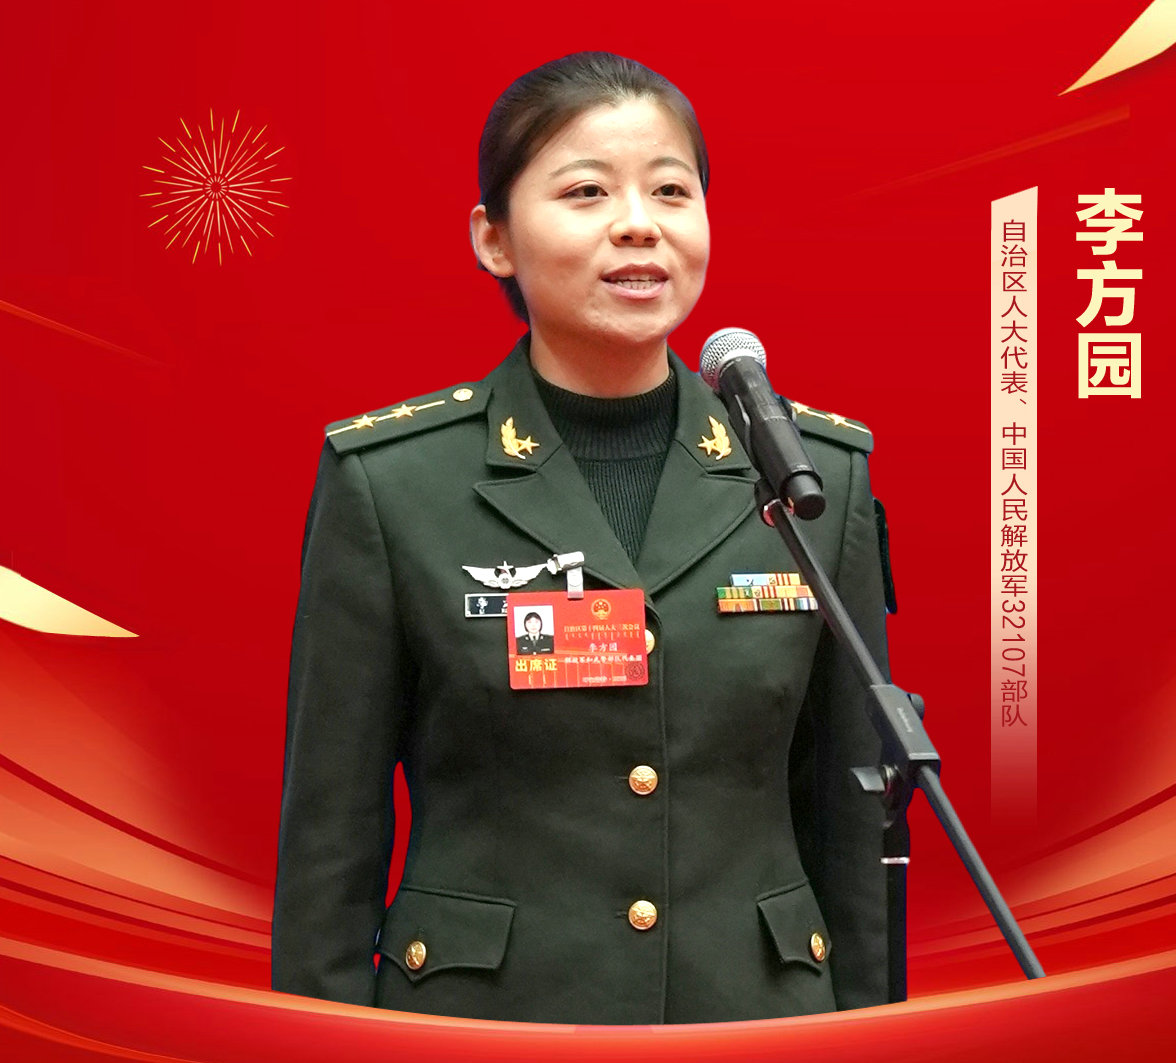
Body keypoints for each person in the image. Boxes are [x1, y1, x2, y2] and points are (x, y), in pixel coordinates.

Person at [273, 51, 893, 1024]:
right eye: (587, 191)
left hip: (756, 1017)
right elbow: (329, 841)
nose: (639, 223)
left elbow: (853, 822)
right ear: (494, 238)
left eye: (671, 190)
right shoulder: (393, 483)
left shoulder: (811, 476)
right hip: (486, 1024)